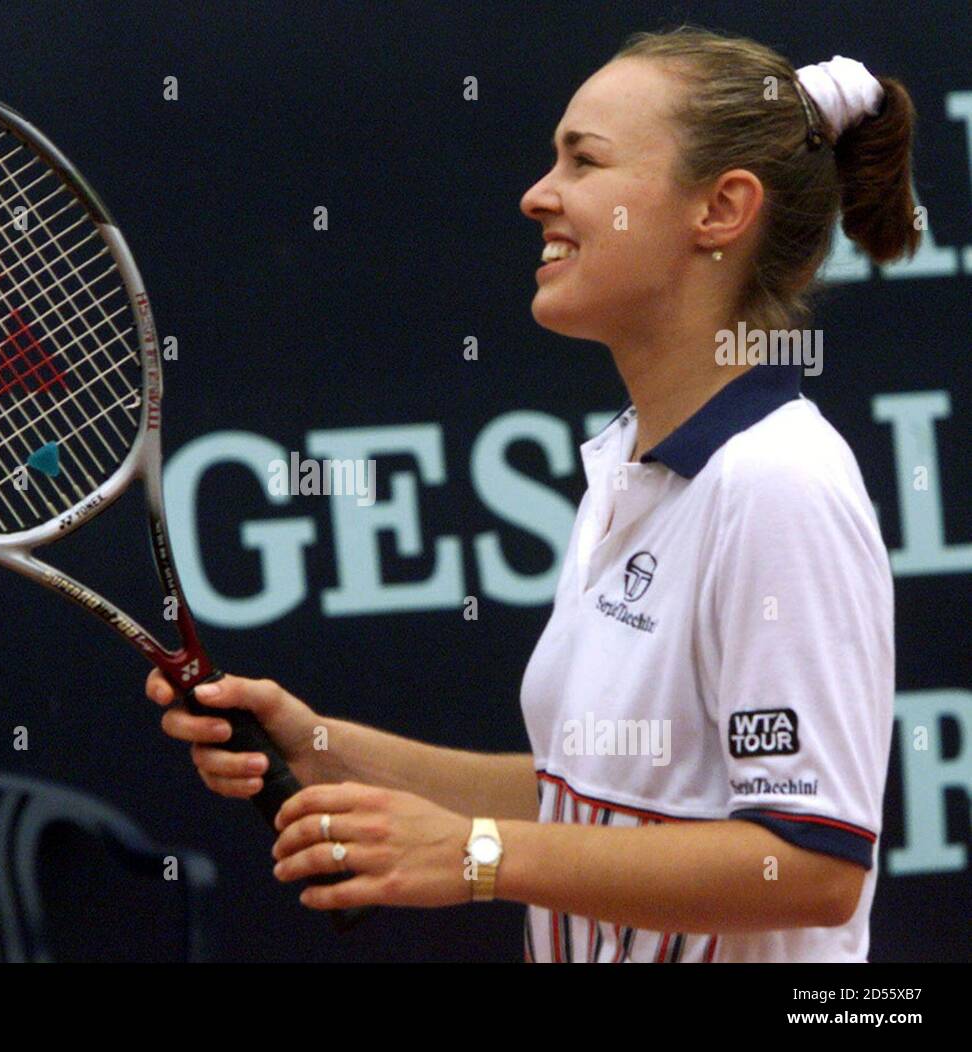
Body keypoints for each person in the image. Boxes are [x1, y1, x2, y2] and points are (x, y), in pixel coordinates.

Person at [146, 26, 916, 962]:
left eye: (582, 161)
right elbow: (585, 799)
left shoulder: (777, 485)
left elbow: (811, 867)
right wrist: (319, 745)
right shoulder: (629, 468)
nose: (536, 194)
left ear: (720, 209)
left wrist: (476, 856)